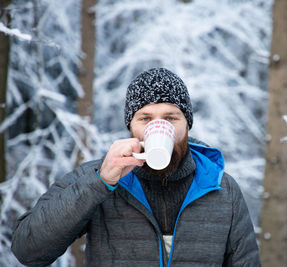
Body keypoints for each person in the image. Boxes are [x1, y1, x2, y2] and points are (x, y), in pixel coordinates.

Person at [11, 68, 260, 266]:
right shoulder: (97, 178)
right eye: (145, 118)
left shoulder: (222, 190)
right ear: (131, 127)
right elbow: (27, 250)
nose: (159, 126)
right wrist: (101, 182)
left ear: (187, 125)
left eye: (171, 117)